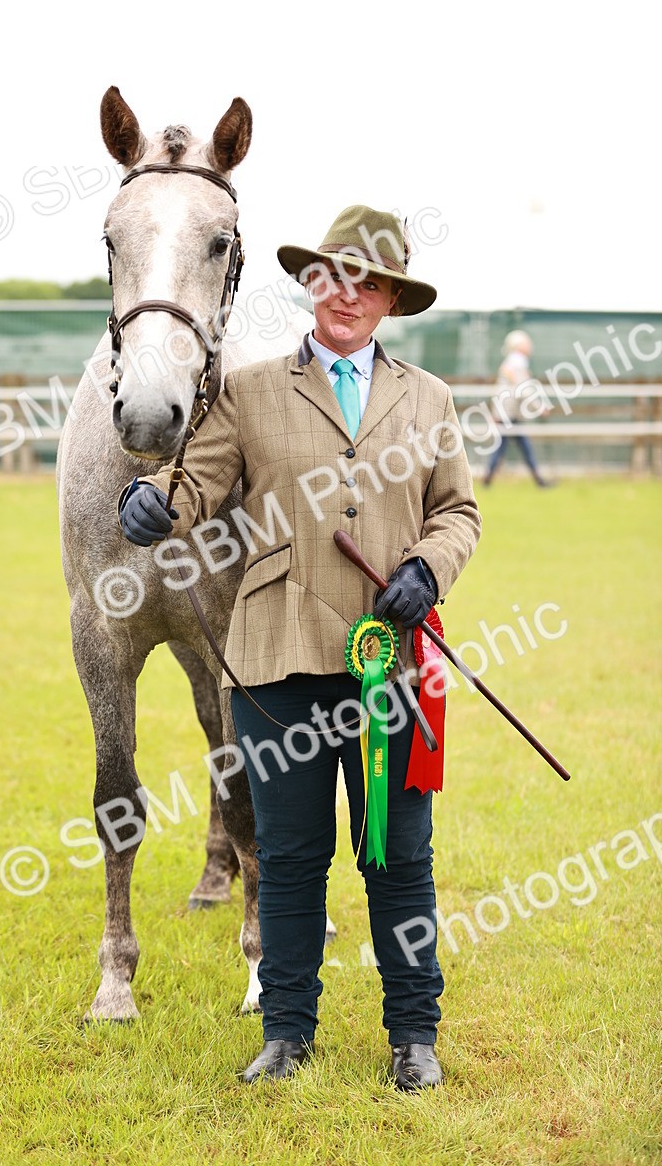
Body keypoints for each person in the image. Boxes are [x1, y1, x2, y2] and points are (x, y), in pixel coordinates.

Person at [119, 205, 481, 1089]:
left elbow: (458, 513)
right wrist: (157, 505)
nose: (347, 295)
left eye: (368, 281)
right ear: (312, 284)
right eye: (333, 276)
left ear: (390, 298)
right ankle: (286, 1033)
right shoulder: (248, 390)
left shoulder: (429, 399)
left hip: (387, 663)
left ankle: (414, 1037)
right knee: (286, 858)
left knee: (399, 853)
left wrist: (430, 571)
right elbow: (196, 484)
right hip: (275, 661)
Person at [483, 330, 554, 486]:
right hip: (509, 413)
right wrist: (540, 407)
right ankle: (539, 480)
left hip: (506, 412)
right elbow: (524, 389)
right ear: (519, 346)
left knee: (506, 447)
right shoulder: (518, 362)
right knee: (518, 447)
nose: (530, 346)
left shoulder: (511, 362)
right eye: (527, 343)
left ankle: (488, 480)